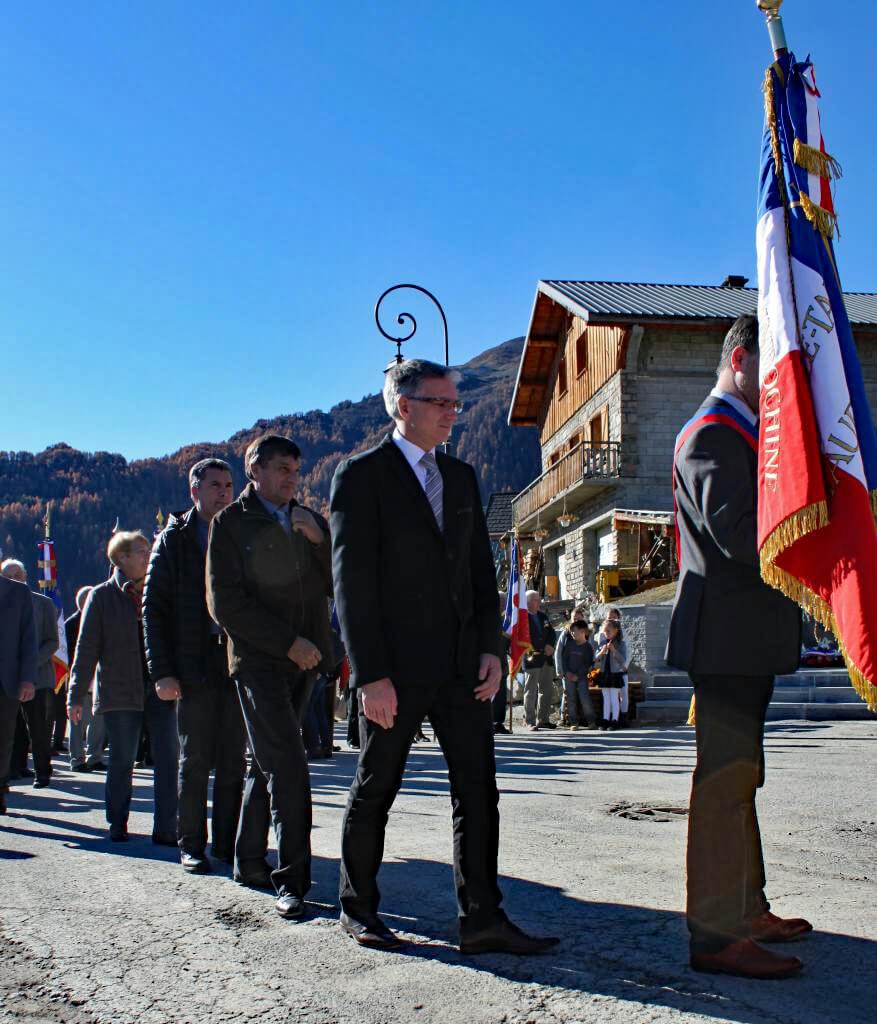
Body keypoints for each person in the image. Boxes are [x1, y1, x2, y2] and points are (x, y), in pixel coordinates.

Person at [331, 357, 559, 955]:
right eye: (442, 403)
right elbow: (350, 584)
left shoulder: (460, 477)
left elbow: (479, 574)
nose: (454, 413)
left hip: (462, 666)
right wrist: (369, 674)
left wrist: (490, 647)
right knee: (377, 784)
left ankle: (482, 917)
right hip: (394, 671)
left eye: (456, 403)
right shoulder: (361, 477)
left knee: (479, 791)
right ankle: (358, 908)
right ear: (403, 407)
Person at [667, 314, 808, 980]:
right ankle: (715, 936)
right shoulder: (711, 436)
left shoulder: (741, 433)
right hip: (723, 637)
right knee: (723, 785)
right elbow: (737, 536)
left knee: (740, 778)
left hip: (740, 637)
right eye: (775, 369)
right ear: (742, 360)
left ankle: (746, 909)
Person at [206, 434, 332, 920]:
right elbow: (225, 604)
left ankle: (248, 859)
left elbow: (332, 582)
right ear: (254, 469)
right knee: (289, 764)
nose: (291, 480)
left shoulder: (307, 520)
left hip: (307, 660)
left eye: (296, 472)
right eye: (282, 469)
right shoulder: (230, 523)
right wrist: (287, 643)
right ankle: (294, 881)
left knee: (267, 762)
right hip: (260, 661)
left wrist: (319, 540)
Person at [143, 457, 247, 874]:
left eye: (228, 485)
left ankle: (226, 843)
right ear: (194, 491)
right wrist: (162, 671)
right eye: (215, 486)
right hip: (193, 664)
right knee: (195, 758)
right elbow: (153, 610)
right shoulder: (174, 539)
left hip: (237, 662)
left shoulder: (242, 530)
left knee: (233, 758)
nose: (223, 492)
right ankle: (191, 843)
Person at [68, 531, 179, 844]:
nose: (148, 556)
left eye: (148, 550)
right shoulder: (102, 596)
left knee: (168, 758)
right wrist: (76, 695)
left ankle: (166, 827)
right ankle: (117, 822)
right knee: (121, 759)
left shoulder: (159, 591)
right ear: (122, 559)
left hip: (160, 687)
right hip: (119, 691)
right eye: (141, 551)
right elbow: (86, 647)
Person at [1, 559, 58, 788]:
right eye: (8, 574)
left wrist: (29, 668)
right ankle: (13, 770)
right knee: (11, 732)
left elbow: (44, 641)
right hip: (11, 676)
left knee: (31, 728)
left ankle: (39, 772)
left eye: (17, 574)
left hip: (29, 677)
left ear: (24, 576)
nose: (13, 578)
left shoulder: (37, 601)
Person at [0, 556, 38, 815]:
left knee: (3, 738)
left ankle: (0, 786)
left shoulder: (18, 592)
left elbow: (28, 639)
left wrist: (27, 678)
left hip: (7, 680)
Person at [65, 586, 108, 773]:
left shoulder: (103, 621)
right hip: (81, 680)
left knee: (98, 722)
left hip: (99, 681)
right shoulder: (71, 624)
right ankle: (77, 758)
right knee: (77, 722)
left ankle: (95, 756)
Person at [554, 603, 595, 728]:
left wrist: (581, 673)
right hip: (568, 673)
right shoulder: (566, 634)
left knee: (584, 697)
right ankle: (571, 721)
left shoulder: (587, 636)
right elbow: (559, 653)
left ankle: (590, 721)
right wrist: (562, 671)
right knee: (569, 697)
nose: (576, 621)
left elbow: (589, 658)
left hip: (581, 674)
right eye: (574, 618)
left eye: (578, 618)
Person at [522, 591, 556, 731]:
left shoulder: (543, 616)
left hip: (546, 659)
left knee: (546, 690)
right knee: (530, 691)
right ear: (528, 602)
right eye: (536, 600)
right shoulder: (522, 617)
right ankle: (529, 720)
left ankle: (543, 719)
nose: (539, 602)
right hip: (532, 658)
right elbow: (522, 638)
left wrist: (550, 645)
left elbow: (551, 633)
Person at [596, 607, 630, 727]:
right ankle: (606, 719)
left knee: (615, 698)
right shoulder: (602, 643)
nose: (606, 634)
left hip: (616, 674)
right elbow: (596, 659)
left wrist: (614, 651)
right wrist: (601, 652)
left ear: (616, 631)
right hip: (605, 673)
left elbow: (623, 660)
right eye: (605, 632)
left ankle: (615, 720)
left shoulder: (621, 643)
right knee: (606, 698)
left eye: (608, 631)